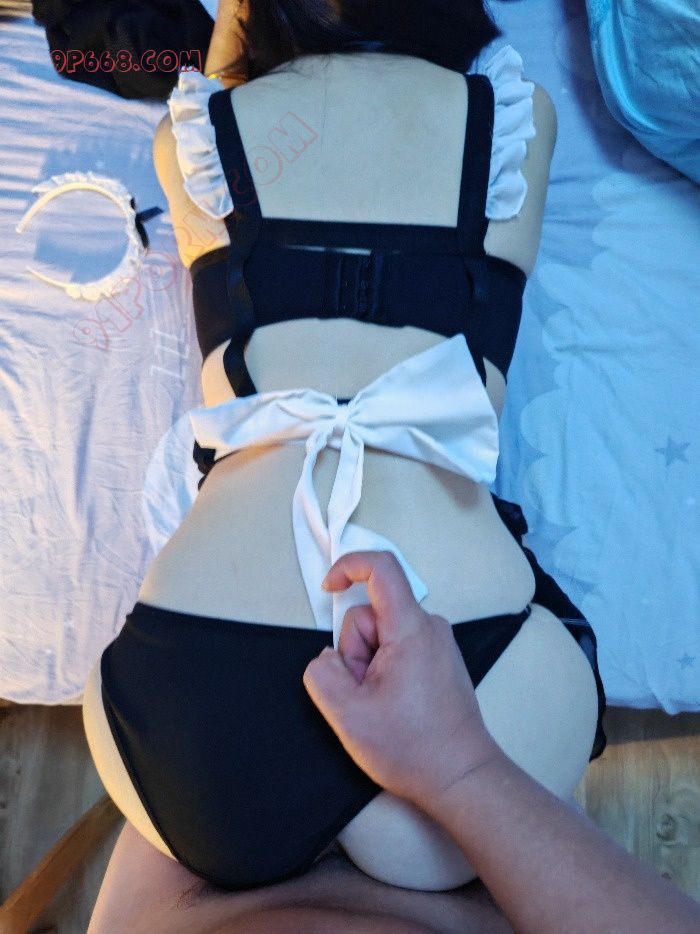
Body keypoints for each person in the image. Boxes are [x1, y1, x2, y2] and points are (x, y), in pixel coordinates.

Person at [82, 0, 609, 921]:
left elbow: (225, 67)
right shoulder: (512, 125)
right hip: (478, 675)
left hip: (197, 702)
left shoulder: (199, 135)